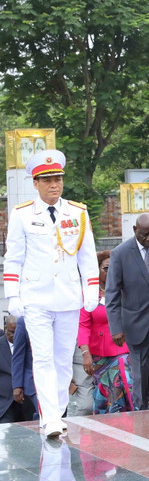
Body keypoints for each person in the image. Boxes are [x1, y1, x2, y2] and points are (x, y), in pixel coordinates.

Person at [3, 150, 98, 438]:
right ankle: (52, 417)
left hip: (68, 296)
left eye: (57, 179)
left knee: (61, 360)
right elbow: (13, 258)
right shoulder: (21, 215)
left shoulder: (77, 213)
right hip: (36, 298)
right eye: (47, 181)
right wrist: (13, 296)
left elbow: (87, 256)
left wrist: (91, 288)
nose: (54, 185)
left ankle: (54, 412)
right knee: (42, 358)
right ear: (36, 183)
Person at [105, 212, 149, 409]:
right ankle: (140, 407)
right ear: (135, 230)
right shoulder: (120, 253)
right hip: (136, 317)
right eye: (145, 235)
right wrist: (116, 327)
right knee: (140, 367)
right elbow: (112, 293)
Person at [78, 251, 134, 413]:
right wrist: (85, 353)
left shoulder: (125, 291)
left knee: (123, 379)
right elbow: (83, 326)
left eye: (114, 268)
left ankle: (130, 420)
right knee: (106, 389)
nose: (110, 272)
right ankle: (109, 424)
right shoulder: (88, 295)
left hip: (123, 348)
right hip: (99, 355)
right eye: (106, 268)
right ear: (98, 270)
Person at [10, 316, 37, 421]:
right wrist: (17, 385)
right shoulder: (24, 321)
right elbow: (18, 356)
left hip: (55, 379)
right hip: (33, 380)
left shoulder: (57, 317)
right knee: (43, 413)